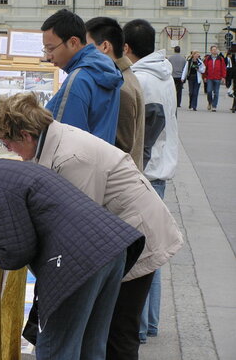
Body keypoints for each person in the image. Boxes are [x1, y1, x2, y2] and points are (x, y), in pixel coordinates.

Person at [0, 91, 183, 352]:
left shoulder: (72, 158)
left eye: (6, 143)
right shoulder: (49, 139)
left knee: (119, 330)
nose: (8, 150)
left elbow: (76, 226)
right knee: (105, 331)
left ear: (25, 135)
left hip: (135, 235)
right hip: (119, 234)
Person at [0, 133, 145, 360]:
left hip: (77, 263)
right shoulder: (9, 169)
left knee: (56, 349)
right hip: (110, 247)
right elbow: (30, 224)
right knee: (92, 347)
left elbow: (15, 254)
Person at [123, 18, 179, 358]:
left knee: (143, 254)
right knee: (153, 250)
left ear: (126, 48)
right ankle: (151, 322)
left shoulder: (141, 79)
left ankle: (141, 326)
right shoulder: (163, 74)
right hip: (162, 169)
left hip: (148, 171)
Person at [41, 9, 123, 144]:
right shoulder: (105, 67)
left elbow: (62, 140)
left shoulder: (79, 79)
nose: (48, 56)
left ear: (73, 42)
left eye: (50, 48)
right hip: (102, 159)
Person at [85, 16, 145, 170]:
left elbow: (120, 148)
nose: (83, 53)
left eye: (87, 47)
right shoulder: (122, 77)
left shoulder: (120, 87)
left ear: (105, 46)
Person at [203, 45, 226, 112]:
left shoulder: (220, 59)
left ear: (217, 50)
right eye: (213, 50)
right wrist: (204, 76)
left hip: (217, 77)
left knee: (216, 92)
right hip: (209, 77)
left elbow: (223, 68)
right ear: (211, 51)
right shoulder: (208, 59)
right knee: (209, 91)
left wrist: (223, 77)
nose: (214, 51)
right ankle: (210, 102)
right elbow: (205, 68)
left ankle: (214, 106)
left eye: (215, 49)